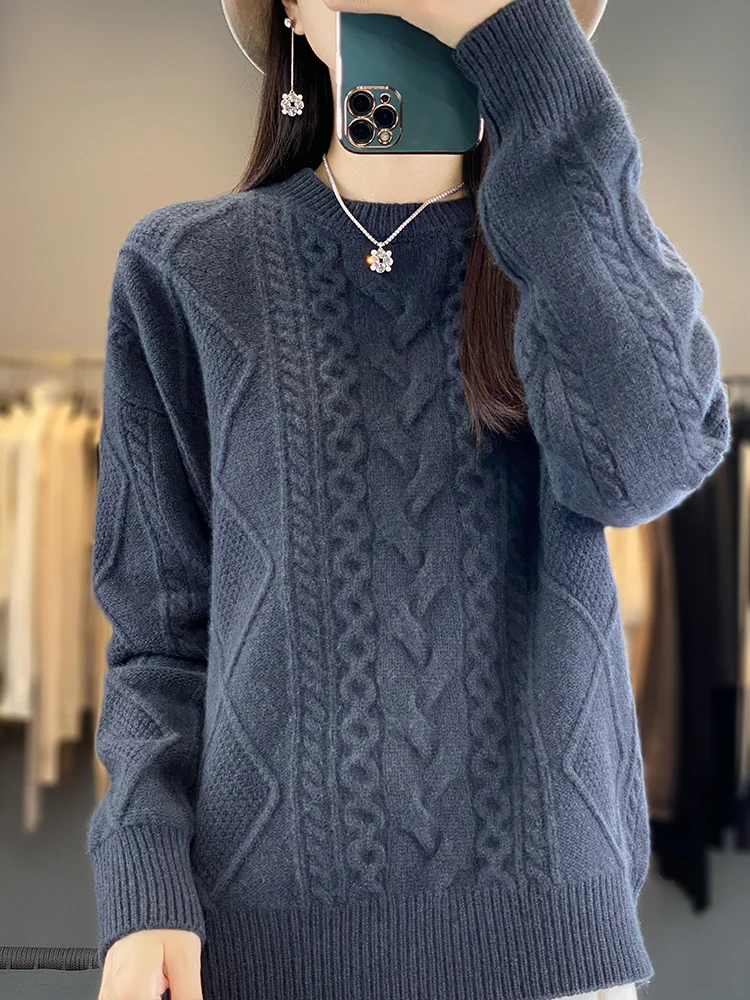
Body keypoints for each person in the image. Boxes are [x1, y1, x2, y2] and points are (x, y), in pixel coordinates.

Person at [89, 0, 731, 998]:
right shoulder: (184, 268)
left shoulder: (565, 259)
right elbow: (159, 640)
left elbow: (652, 461)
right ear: (292, 10)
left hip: (548, 953)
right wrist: (143, 880)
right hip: (262, 950)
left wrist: (527, 66)